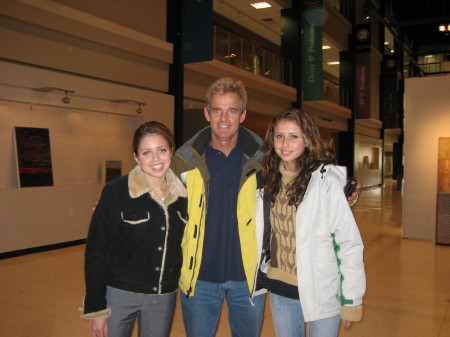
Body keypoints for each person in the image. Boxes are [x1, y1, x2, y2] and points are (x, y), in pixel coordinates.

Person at [170, 78, 362, 337]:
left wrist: (344, 189)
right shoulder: (185, 160)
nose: (224, 118)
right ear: (207, 113)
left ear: (243, 115)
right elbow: (153, 179)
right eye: (217, 110)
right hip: (199, 278)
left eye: (232, 110)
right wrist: (116, 196)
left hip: (248, 281)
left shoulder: (263, 162)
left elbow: (307, 179)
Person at [260, 108, 366, 337]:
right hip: (280, 287)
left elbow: (348, 242)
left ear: (307, 139)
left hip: (321, 287)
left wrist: (351, 299)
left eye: (294, 136)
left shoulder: (325, 182)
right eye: (279, 136)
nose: (285, 143)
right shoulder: (267, 181)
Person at [81, 121, 188, 337]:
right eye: (146, 153)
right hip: (119, 294)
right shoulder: (116, 192)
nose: (156, 159)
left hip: (162, 295)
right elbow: (96, 251)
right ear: (136, 157)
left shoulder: (184, 197)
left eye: (162, 150)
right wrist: (96, 308)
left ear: (172, 151)